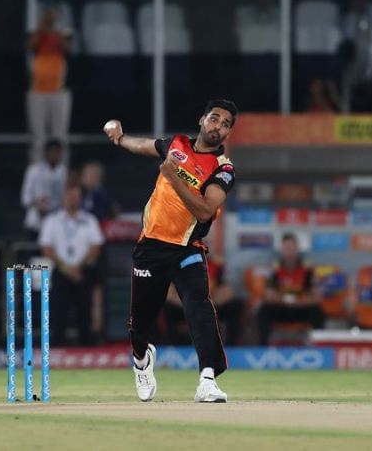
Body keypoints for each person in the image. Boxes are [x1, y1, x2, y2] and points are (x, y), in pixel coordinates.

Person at [103, 99, 238, 403]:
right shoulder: (176, 144)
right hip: (150, 246)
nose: (218, 126)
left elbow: (204, 212)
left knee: (198, 306)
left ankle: (207, 379)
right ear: (202, 119)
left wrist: (174, 177)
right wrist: (120, 138)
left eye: (225, 124)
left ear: (228, 134)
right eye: (214, 118)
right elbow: (144, 146)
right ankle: (142, 359)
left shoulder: (223, 169)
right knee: (139, 324)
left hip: (186, 248)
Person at [39, 185, 105, 346]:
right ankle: (56, 350)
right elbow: (46, 248)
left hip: (83, 271)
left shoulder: (89, 220)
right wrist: (66, 268)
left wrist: (78, 267)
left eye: (75, 197)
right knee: (59, 313)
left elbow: (96, 247)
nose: (72, 200)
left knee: (85, 313)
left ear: (80, 199)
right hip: (61, 272)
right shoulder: (52, 220)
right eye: (69, 196)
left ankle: (87, 349)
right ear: (63, 199)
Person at [256, 233, 325, 346]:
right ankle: (263, 349)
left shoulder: (308, 268)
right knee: (263, 311)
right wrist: (284, 300)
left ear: (297, 249)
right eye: (286, 248)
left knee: (317, 311)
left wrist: (300, 301)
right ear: (282, 250)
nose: (289, 252)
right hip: (281, 308)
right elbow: (268, 295)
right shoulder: (274, 268)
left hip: (301, 308)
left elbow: (316, 296)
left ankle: (320, 348)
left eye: (292, 248)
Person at [26, 7, 72, 162]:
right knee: (38, 136)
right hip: (37, 91)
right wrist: (42, 27)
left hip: (58, 91)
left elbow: (68, 48)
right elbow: (29, 46)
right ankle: (37, 169)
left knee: (59, 134)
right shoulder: (38, 33)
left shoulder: (63, 32)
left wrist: (55, 30)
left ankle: (61, 167)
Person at [20, 139, 67, 240]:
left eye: (57, 152)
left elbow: (65, 198)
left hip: (57, 222)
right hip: (35, 222)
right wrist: (38, 206)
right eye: (52, 151)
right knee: (33, 253)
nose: (54, 155)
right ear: (45, 153)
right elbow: (25, 198)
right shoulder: (34, 170)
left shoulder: (64, 172)